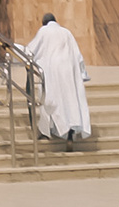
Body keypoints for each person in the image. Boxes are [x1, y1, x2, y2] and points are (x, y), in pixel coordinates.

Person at [22, 12, 92, 146]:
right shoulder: (67, 32)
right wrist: (82, 74)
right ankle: (70, 133)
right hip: (68, 69)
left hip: (51, 69)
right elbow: (78, 55)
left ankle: (46, 130)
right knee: (69, 100)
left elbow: (31, 50)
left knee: (50, 98)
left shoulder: (44, 31)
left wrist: (17, 52)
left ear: (44, 23)